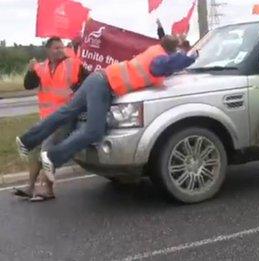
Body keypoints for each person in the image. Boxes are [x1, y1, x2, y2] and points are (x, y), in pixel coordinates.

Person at [16, 36, 197, 182]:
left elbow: (167, 62)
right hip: (103, 85)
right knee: (94, 131)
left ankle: (26, 141)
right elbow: (168, 65)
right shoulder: (158, 59)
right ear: (171, 51)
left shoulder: (155, 50)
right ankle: (53, 158)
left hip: (98, 79)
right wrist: (191, 56)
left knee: (65, 113)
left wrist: (182, 48)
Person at [13, 36, 88, 202]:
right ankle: (30, 187)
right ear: (48, 51)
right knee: (36, 150)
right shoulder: (41, 67)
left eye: (61, 47)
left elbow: (87, 82)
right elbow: (28, 85)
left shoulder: (73, 64)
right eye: (56, 48)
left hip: (64, 117)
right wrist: (30, 70)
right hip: (46, 119)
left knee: (47, 150)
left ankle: (47, 189)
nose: (60, 50)